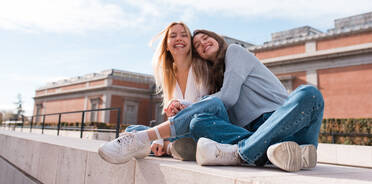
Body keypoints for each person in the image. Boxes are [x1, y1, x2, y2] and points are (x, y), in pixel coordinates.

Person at [98, 29, 324, 173]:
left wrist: (185, 105)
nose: (203, 43)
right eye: (198, 46)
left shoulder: (235, 52)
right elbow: (218, 100)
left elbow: (228, 98)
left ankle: (237, 153)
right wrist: (186, 106)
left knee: (309, 94)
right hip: (261, 137)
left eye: (206, 38)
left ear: (218, 39)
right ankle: (278, 154)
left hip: (286, 123)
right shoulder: (216, 83)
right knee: (199, 123)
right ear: (201, 58)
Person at [118, 22, 209, 160]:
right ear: (166, 45)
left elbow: (208, 106)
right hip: (178, 133)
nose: (179, 38)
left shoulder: (202, 68)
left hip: (199, 129)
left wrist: (181, 105)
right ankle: (171, 147)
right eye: (173, 35)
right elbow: (171, 117)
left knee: (137, 136)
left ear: (190, 43)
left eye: (184, 35)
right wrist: (159, 138)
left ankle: (166, 148)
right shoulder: (168, 76)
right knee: (131, 130)